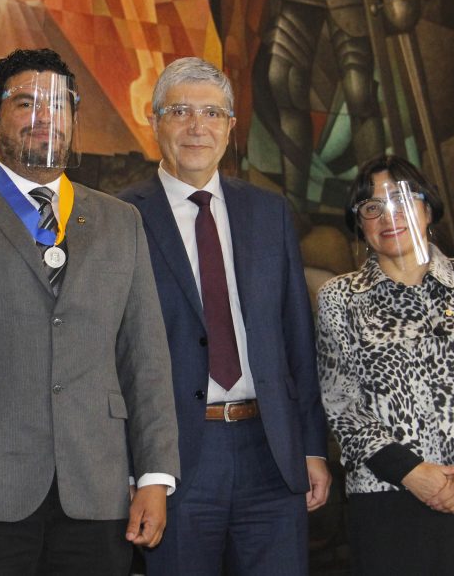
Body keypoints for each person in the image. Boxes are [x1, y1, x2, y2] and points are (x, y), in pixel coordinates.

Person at [0, 48, 180, 575]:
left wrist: (155, 476)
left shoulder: (122, 222)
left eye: (59, 104)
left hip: (97, 490)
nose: (45, 117)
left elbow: (145, 358)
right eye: (26, 102)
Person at [118, 57, 330, 576]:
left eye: (212, 113)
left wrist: (312, 447)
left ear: (231, 127)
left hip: (272, 452)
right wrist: (135, 470)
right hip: (174, 461)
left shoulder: (269, 211)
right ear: (154, 121)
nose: (198, 126)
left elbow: (296, 337)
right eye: (181, 111)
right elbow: (111, 353)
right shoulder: (119, 218)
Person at [316, 155, 454, 574]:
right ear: (360, 223)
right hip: (389, 496)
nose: (388, 216)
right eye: (372, 207)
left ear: (427, 209)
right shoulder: (339, 298)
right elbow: (341, 402)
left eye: (401, 201)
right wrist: (410, 472)